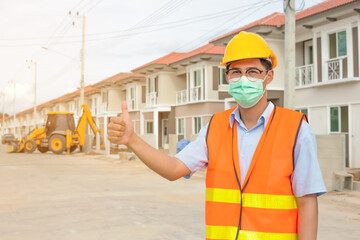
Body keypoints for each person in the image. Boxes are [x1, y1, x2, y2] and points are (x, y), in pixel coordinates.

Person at [107, 31, 326, 240]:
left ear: (268, 76)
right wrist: (132, 140)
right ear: (227, 77)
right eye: (236, 72)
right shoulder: (215, 127)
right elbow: (173, 169)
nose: (243, 79)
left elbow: (307, 203)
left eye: (252, 72)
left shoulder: (296, 128)